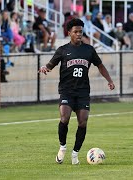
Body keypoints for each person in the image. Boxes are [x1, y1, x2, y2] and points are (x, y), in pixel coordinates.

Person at [38, 18, 115, 165]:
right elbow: (50, 64)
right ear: (69, 33)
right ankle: (62, 147)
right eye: (76, 32)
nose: (79, 34)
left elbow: (100, 65)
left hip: (83, 92)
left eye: (81, 31)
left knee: (83, 122)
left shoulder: (89, 50)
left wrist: (109, 80)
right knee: (64, 118)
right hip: (67, 91)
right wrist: (45, 68)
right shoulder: (63, 50)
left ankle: (75, 154)